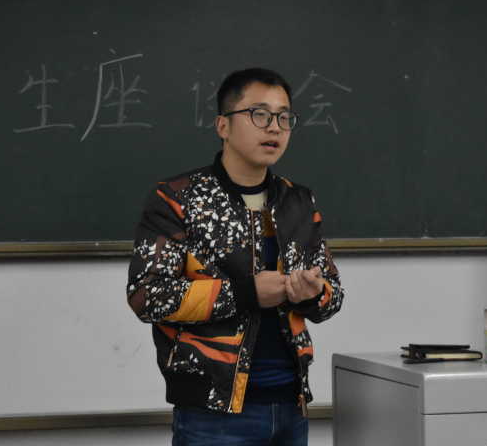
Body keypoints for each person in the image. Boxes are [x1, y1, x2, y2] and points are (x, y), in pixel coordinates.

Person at [126, 67, 343, 445]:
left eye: (284, 117)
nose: (274, 127)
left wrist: (312, 293)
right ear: (223, 126)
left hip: (291, 405)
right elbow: (148, 296)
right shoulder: (178, 198)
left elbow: (332, 297)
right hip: (212, 413)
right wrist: (247, 292)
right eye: (259, 114)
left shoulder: (298, 201)